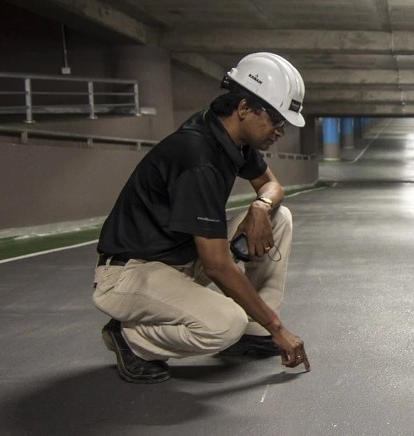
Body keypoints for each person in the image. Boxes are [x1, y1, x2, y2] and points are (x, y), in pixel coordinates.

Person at [93, 52, 310, 383]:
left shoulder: (228, 136)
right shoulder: (198, 157)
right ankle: (132, 339)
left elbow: (271, 185)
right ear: (244, 109)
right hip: (130, 273)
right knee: (224, 325)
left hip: (178, 259)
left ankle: (253, 331)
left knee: (280, 218)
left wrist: (261, 207)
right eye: (277, 120)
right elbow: (217, 265)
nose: (280, 131)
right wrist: (278, 328)